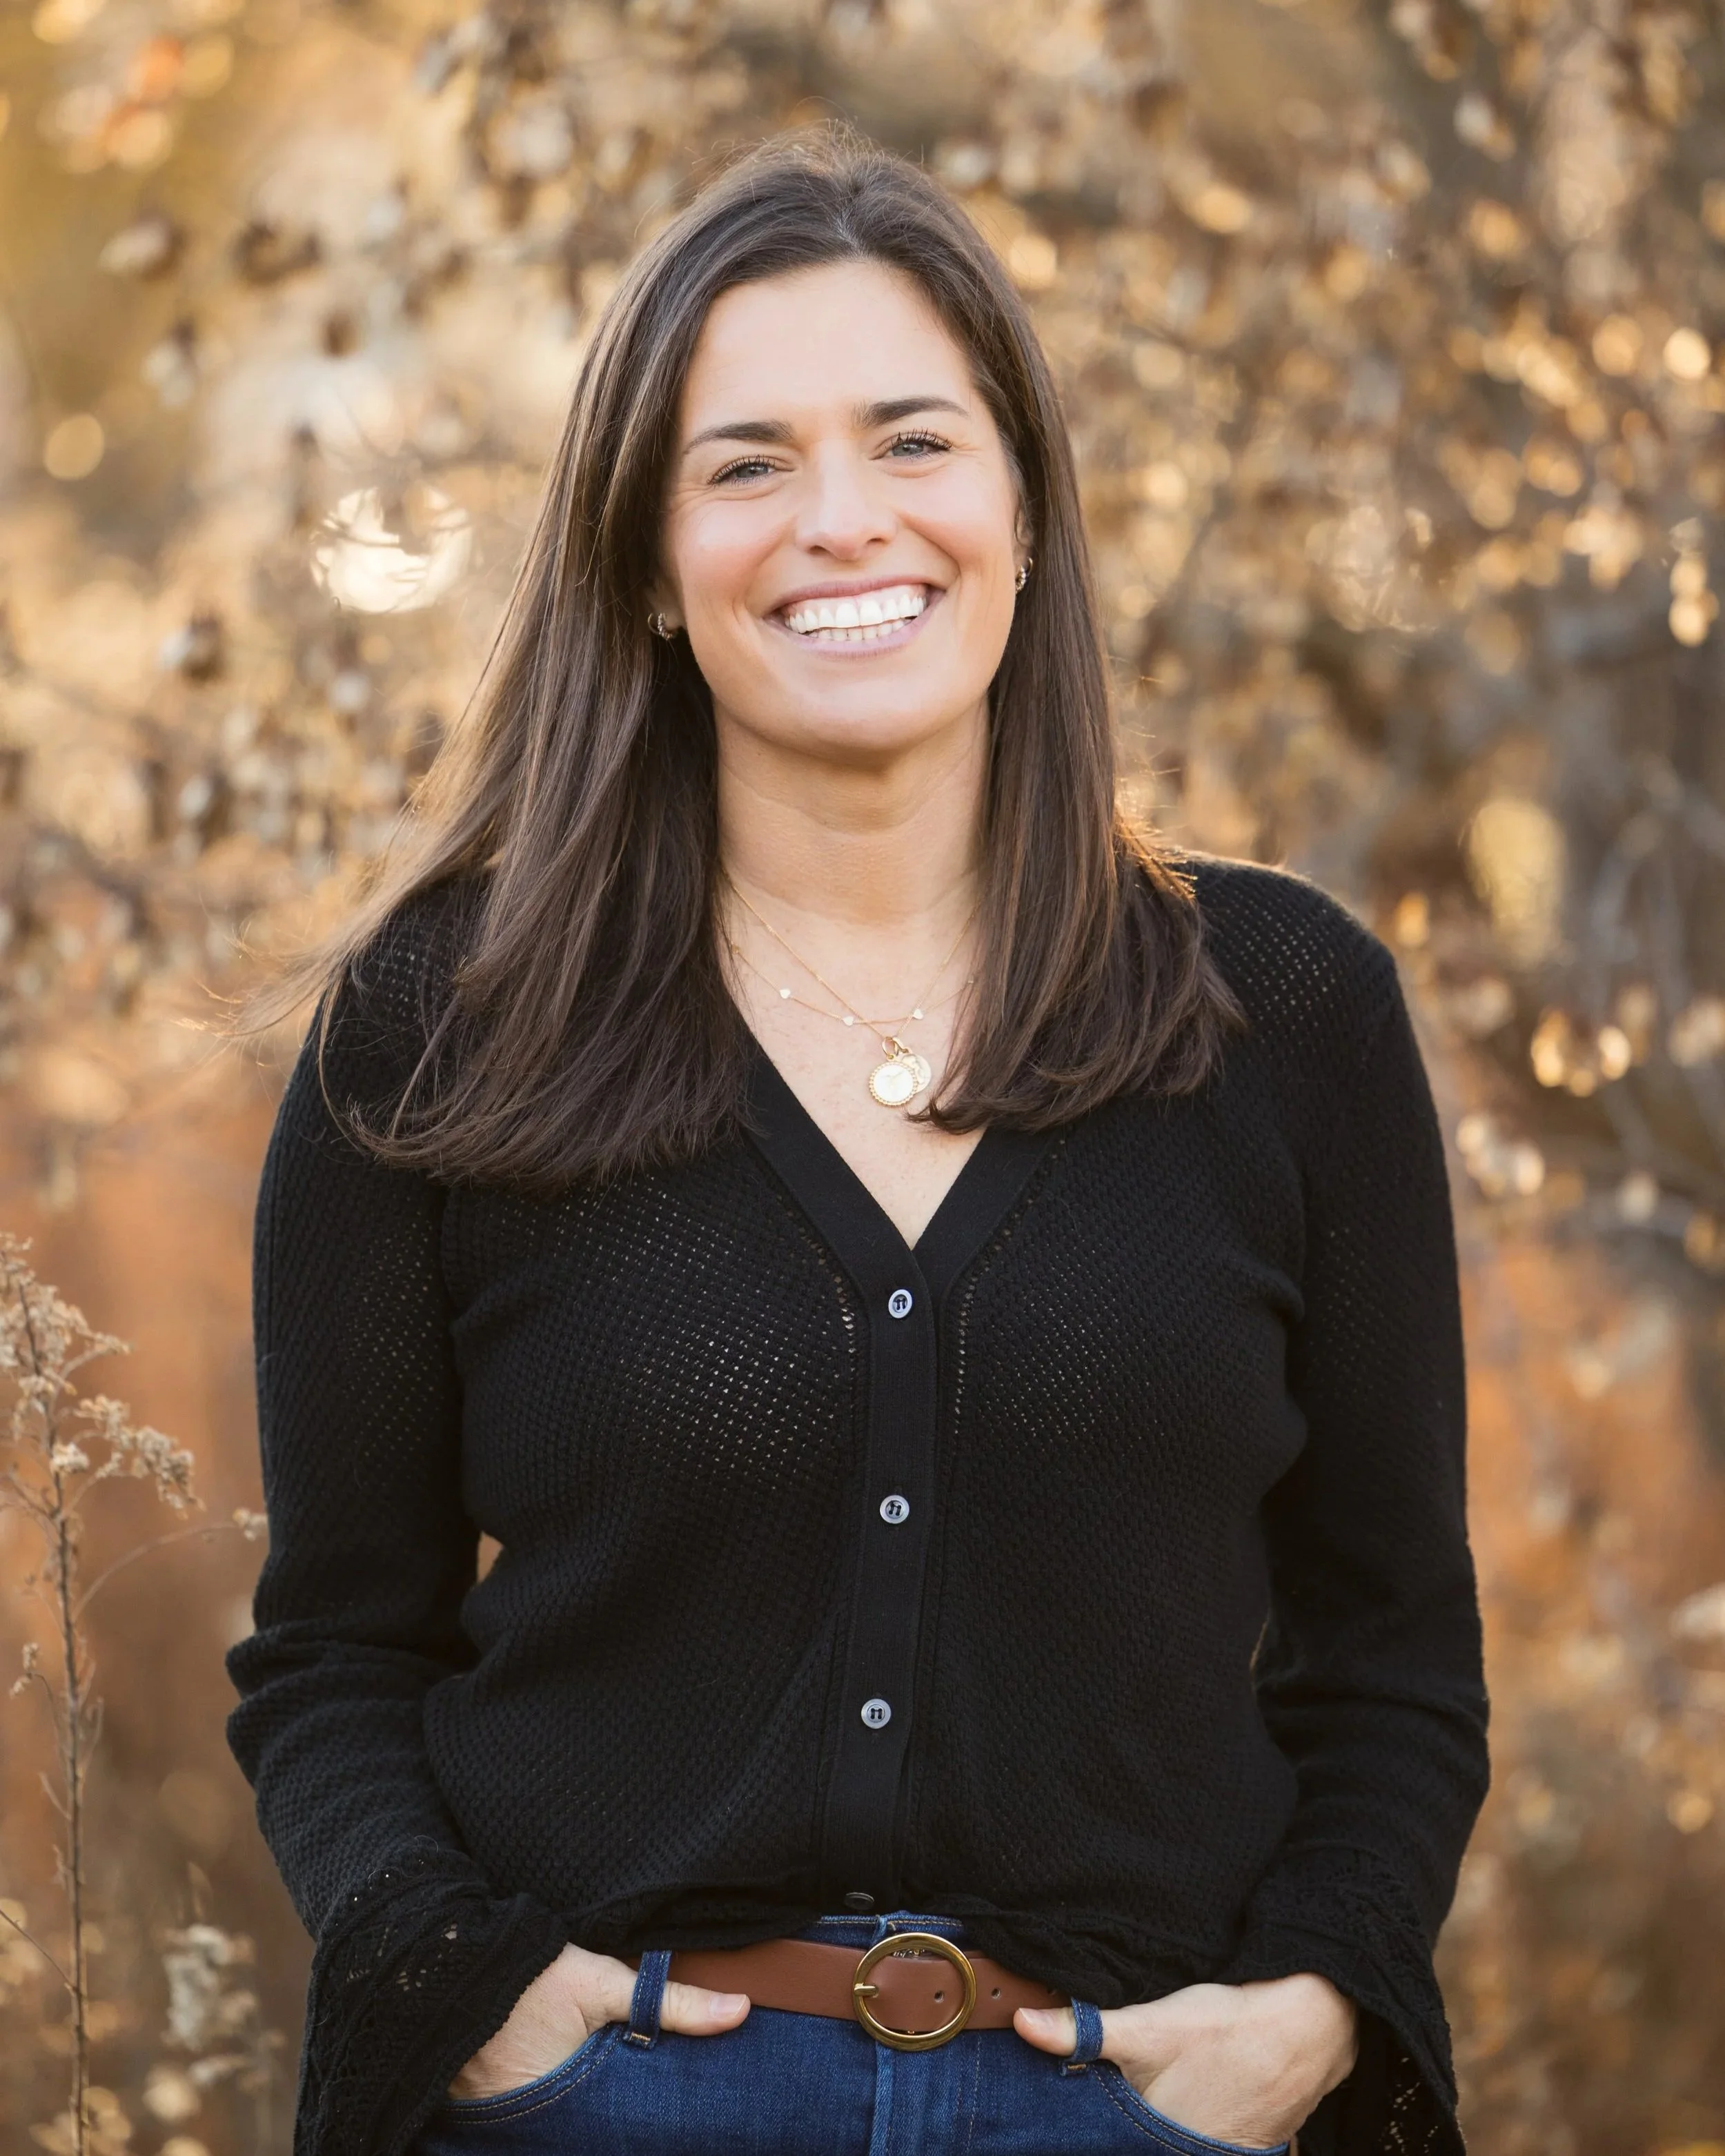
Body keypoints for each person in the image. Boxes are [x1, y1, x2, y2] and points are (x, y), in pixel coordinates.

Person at [225, 127, 1489, 2156]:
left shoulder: (1288, 1009)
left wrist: (1311, 2012)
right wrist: (472, 2002)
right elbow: (333, 1649)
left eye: (912, 441)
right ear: (644, 557)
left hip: (1151, 2108)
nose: (842, 523)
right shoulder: (441, 1021)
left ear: (1018, 504)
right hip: (598, 2101)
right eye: (744, 465)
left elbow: (1395, 1648)